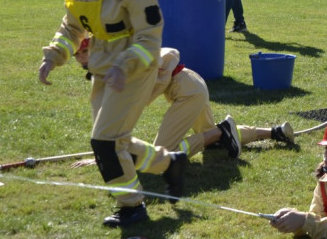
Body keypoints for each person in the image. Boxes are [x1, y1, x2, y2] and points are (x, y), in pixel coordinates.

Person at [38, 0, 188, 227]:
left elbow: (150, 39)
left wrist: (124, 65)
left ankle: (132, 206)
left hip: (134, 72)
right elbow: (72, 29)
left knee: (104, 142)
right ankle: (170, 164)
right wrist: (53, 56)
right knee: (116, 141)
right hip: (103, 69)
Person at [74, 39, 295, 159]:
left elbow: (167, 55)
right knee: (211, 140)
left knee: (161, 154)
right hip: (191, 86)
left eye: (80, 54)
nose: (78, 60)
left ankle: (222, 130)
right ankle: (275, 132)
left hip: (188, 91)